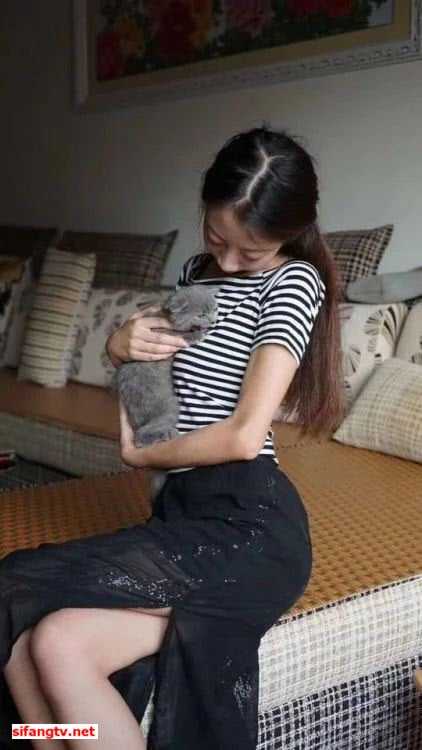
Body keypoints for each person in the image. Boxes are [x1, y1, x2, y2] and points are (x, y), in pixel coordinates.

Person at [0, 124, 345, 750]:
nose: (229, 262)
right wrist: (117, 347)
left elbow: (244, 437)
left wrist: (141, 455)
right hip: (182, 516)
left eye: (251, 252)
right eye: (218, 238)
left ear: (288, 235)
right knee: (44, 644)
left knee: (14, 581)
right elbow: (153, 387)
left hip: (249, 526)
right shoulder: (193, 273)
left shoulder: (293, 281)